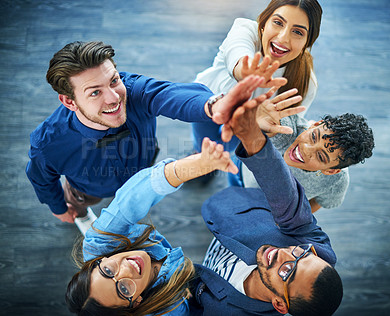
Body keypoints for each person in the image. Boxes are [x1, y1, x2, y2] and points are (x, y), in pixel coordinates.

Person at [25, 41, 280, 228]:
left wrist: (213, 105)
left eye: (114, 81)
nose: (114, 98)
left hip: (143, 169)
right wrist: (59, 208)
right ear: (69, 102)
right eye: (95, 92)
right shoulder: (48, 143)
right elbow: (41, 179)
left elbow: (168, 94)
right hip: (89, 189)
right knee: (78, 204)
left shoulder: (133, 90)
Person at [189, 89, 343, 316]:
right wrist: (251, 135)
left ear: (280, 304)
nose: (286, 253)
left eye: (288, 270)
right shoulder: (317, 249)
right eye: (301, 254)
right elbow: (286, 197)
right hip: (233, 207)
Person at [65, 137, 240, 316]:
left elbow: (133, 198)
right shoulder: (170, 310)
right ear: (135, 304)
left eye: (108, 271)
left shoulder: (99, 242)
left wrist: (196, 165)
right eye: (124, 289)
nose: (127, 269)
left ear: (98, 262)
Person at [191, 0, 323, 154]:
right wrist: (245, 73)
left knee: (226, 152)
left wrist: (268, 130)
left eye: (298, 32)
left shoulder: (307, 83)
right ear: (263, 23)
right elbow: (237, 51)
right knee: (202, 145)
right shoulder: (244, 29)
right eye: (278, 22)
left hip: (248, 123)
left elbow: (284, 131)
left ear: (307, 44)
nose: (283, 38)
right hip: (208, 99)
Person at [228, 88, 375, 212]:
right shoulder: (289, 129)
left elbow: (320, 202)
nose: (305, 149)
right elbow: (274, 126)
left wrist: (291, 219)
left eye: (321, 157)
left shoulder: (337, 181)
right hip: (241, 172)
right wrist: (258, 119)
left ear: (331, 171)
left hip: (268, 209)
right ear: (315, 124)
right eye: (313, 136)